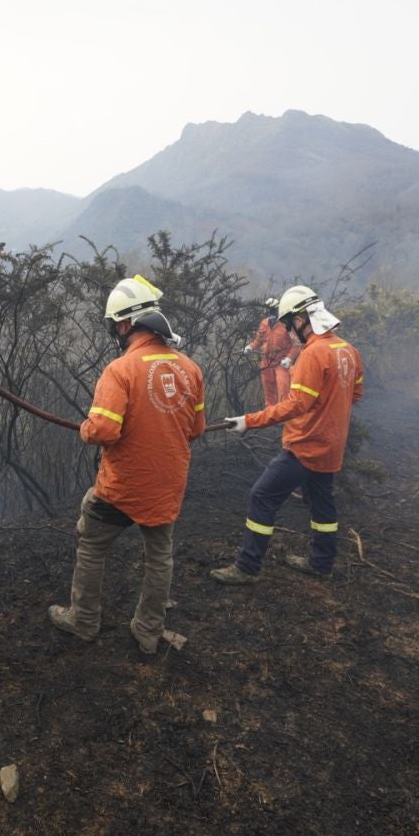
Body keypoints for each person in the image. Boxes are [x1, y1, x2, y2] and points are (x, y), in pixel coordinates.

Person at [48, 275, 206, 654]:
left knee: (90, 542)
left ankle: (83, 620)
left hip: (123, 486)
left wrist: (86, 429)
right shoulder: (191, 369)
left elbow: (103, 430)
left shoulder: (120, 370)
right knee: (159, 557)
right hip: (168, 484)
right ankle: (148, 631)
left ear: (124, 324)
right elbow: (196, 429)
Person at [210, 285, 363, 583]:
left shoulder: (313, 354)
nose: (290, 331)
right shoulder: (348, 351)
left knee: (262, 496)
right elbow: (355, 394)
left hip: (305, 446)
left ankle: (247, 567)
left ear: (302, 318)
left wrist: (248, 421)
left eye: (291, 323)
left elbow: (294, 405)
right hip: (332, 447)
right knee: (322, 503)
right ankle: (321, 563)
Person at [244, 297, 301, 406]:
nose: (271, 312)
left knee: (283, 391)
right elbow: (259, 340)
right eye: (269, 310)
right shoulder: (264, 323)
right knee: (269, 393)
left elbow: (297, 344)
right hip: (266, 362)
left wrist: (289, 358)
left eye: (273, 310)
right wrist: (250, 347)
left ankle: (284, 417)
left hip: (281, 363)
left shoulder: (287, 324)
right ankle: (271, 418)